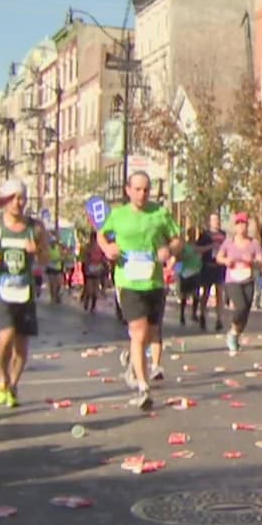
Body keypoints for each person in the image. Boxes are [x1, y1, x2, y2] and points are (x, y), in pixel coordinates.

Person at [97, 171, 182, 410]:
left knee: (150, 333)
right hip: (128, 280)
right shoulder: (118, 215)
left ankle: (133, 363)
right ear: (128, 190)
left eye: (146, 190)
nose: (142, 194)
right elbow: (101, 235)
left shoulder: (160, 213)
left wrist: (169, 249)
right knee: (138, 331)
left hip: (153, 282)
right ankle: (143, 387)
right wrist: (107, 248)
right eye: (137, 189)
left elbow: (178, 239)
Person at [0, 178, 49, 409]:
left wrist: (38, 250)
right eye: (12, 198)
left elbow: (47, 258)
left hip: (24, 291)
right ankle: (2, 376)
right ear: (4, 200)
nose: (17, 202)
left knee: (22, 345)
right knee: (6, 335)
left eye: (21, 197)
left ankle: (12, 386)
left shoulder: (36, 228)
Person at [216, 213, 262, 356]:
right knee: (240, 306)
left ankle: (235, 334)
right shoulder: (229, 242)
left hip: (247, 279)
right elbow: (219, 257)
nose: (242, 226)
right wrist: (226, 261)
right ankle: (232, 333)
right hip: (232, 280)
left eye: (244, 223)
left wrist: (253, 261)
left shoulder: (253, 243)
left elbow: (261, 261)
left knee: (246, 311)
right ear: (235, 226)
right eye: (239, 223)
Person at [194, 212, 226, 332]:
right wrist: (211, 246)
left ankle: (219, 319)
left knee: (219, 293)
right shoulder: (205, 235)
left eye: (217, 220)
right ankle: (202, 314)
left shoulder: (223, 234)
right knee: (206, 292)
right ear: (210, 222)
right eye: (214, 220)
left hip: (219, 266)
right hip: (208, 265)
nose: (216, 222)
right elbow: (197, 249)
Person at [177, 228, 205, 326]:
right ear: (188, 234)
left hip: (196, 272)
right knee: (184, 295)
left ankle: (194, 313)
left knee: (196, 294)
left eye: (194, 233)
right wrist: (178, 271)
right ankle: (182, 314)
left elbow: (203, 252)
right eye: (191, 233)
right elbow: (178, 258)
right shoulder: (184, 246)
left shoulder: (198, 246)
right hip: (185, 272)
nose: (193, 235)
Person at [79, 228, 108, 313]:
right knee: (89, 289)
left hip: (97, 269)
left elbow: (104, 258)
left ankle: (93, 306)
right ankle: (87, 301)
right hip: (89, 269)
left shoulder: (101, 248)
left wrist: (103, 265)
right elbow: (84, 258)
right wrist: (86, 265)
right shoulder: (87, 247)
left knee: (95, 289)